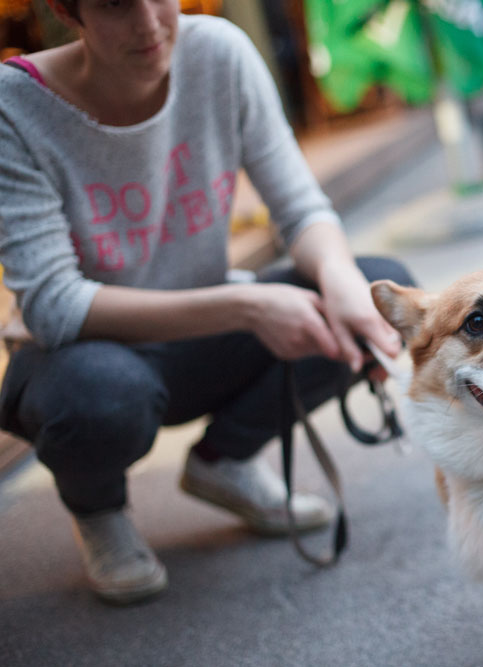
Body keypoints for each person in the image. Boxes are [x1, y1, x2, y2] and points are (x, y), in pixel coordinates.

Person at [0, 0, 414, 604]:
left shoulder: (218, 52)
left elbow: (300, 211)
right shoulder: (16, 106)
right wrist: (249, 307)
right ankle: (98, 509)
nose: (148, 23)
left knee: (381, 293)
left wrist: (339, 280)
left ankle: (225, 461)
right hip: (83, 361)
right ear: (69, 11)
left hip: (200, 343)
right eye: (116, 4)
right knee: (98, 396)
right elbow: (54, 307)